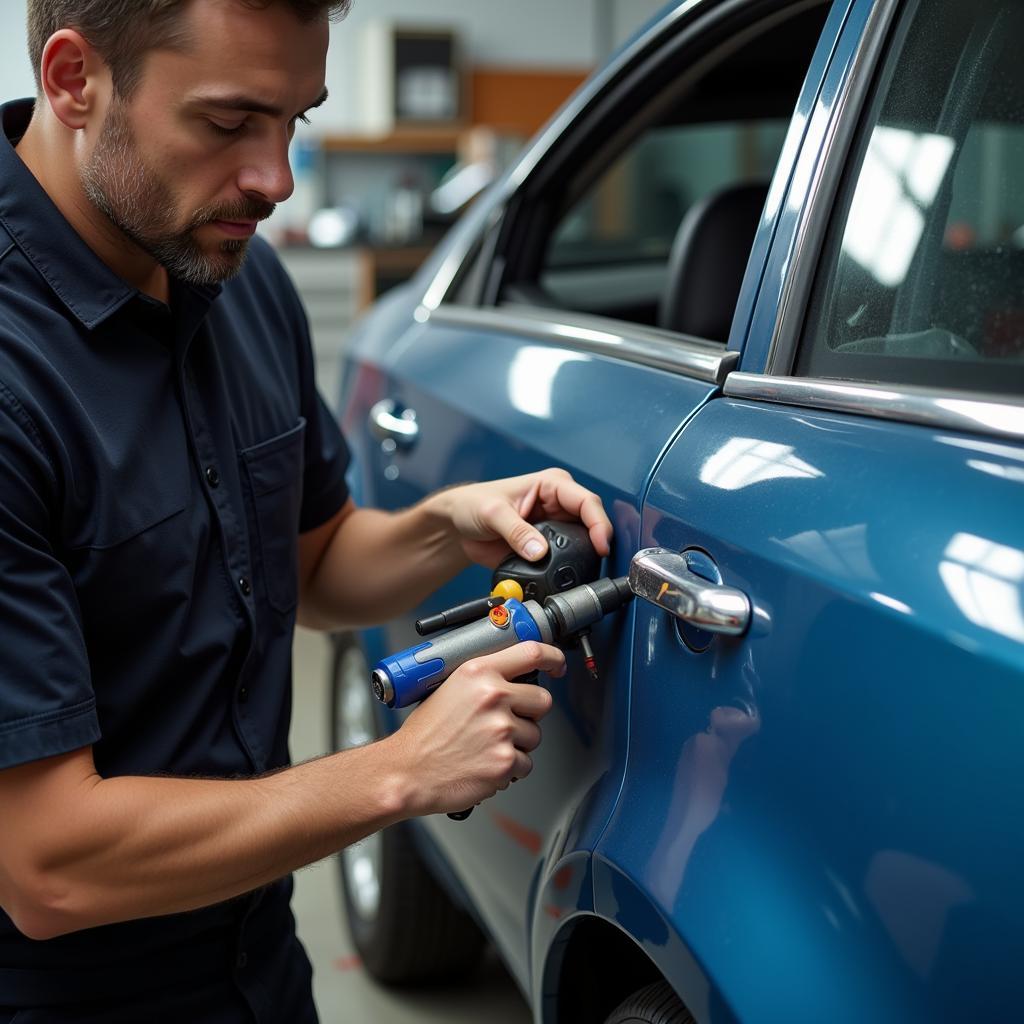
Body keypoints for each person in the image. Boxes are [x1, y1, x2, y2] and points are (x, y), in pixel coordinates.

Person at [0, 1, 613, 1020]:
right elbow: (51, 865)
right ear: (74, 81)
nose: (275, 181)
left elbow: (317, 562)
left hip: (255, 956)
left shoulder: (235, 274)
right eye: (229, 123)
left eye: (296, 121)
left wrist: (444, 525)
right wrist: (396, 773)